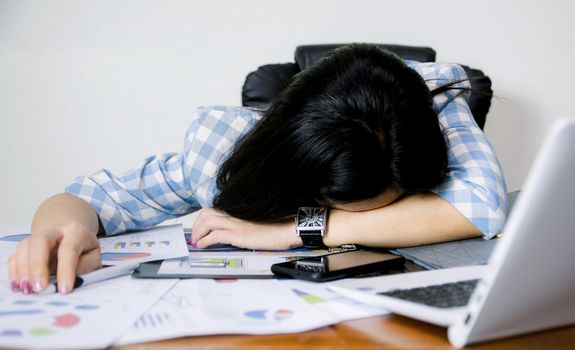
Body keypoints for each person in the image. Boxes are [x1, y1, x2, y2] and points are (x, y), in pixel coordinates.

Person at [8, 44, 507, 294]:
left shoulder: (432, 104)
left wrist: (298, 231)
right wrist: (61, 232)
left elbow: (482, 206)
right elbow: (95, 196)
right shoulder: (220, 151)